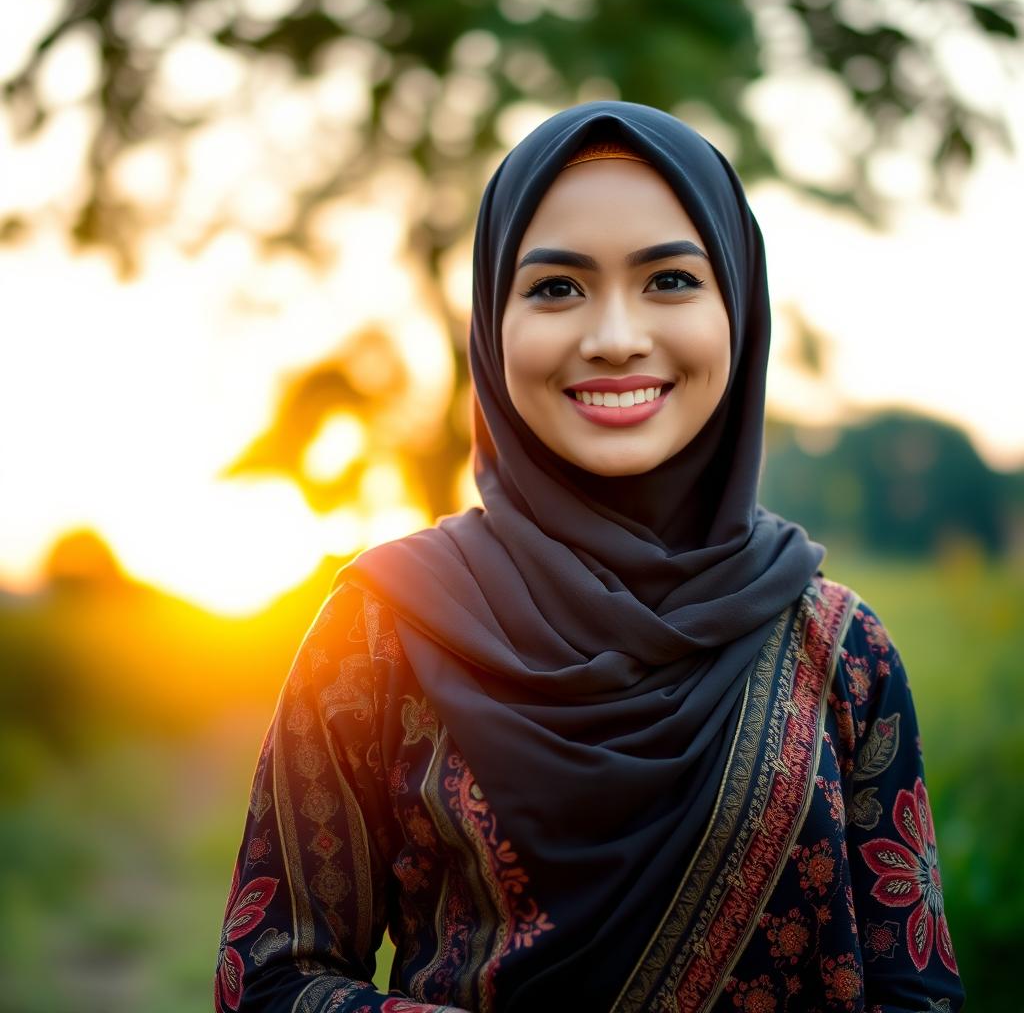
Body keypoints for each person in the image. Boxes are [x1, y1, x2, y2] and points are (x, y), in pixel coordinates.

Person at [215, 102, 965, 1013]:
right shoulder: (381, 632)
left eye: (672, 281)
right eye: (557, 288)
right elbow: (269, 980)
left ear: (740, 308)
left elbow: (913, 994)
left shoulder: (842, 650)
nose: (613, 335)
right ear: (493, 323)